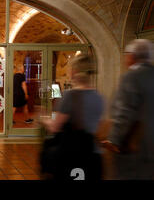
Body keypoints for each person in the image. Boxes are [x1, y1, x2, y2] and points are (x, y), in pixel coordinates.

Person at [40, 54, 104, 180]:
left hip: (72, 155)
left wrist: (44, 119)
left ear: (74, 72)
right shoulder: (98, 96)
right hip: (93, 155)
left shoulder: (70, 96)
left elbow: (55, 128)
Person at [101, 39, 154, 179]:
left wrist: (113, 139)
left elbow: (124, 111)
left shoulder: (131, 77)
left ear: (132, 56)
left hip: (134, 145)